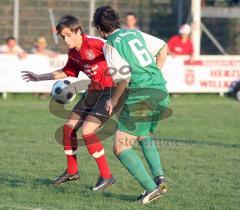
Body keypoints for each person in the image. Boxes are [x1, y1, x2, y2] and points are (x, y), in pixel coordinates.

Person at [22, 15, 115, 190]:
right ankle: (72, 171)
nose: (64, 39)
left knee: (87, 132)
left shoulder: (96, 43)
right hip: (93, 92)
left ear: (78, 32)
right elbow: (67, 71)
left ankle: (107, 176)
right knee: (68, 128)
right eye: (62, 36)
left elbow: (118, 52)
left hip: (110, 92)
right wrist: (39, 77)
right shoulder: (73, 52)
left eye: (67, 35)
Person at [92, 6, 169, 204]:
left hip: (141, 96)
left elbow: (123, 78)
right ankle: (159, 177)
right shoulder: (133, 33)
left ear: (100, 30)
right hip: (160, 90)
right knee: (144, 135)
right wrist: (155, 75)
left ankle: (151, 189)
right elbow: (163, 47)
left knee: (120, 146)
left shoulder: (110, 44)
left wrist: (113, 99)